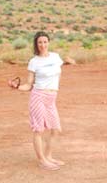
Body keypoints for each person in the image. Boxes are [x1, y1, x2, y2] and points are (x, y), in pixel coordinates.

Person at [9, 31, 65, 171]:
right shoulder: (34, 62)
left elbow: (57, 75)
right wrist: (17, 87)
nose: (43, 45)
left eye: (45, 42)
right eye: (40, 42)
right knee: (38, 130)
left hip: (51, 98)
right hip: (38, 96)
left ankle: (48, 156)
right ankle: (42, 160)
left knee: (56, 129)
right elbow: (29, 84)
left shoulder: (56, 57)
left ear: (48, 42)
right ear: (36, 44)